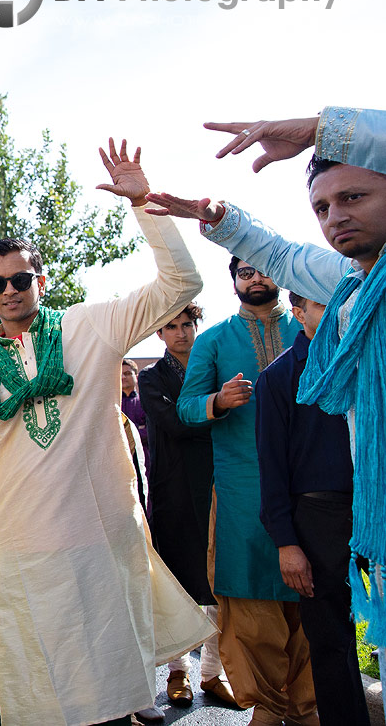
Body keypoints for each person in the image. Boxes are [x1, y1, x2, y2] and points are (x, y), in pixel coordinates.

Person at [0, 139, 214, 725]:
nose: (10, 290)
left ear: (40, 281)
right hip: (17, 547)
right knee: (40, 695)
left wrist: (143, 203)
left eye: (20, 278)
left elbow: (181, 286)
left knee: (107, 689)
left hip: (94, 539)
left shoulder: (91, 327)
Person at [146, 106, 386, 651]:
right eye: (322, 206)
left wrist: (321, 129)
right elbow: (278, 252)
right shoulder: (350, 280)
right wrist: (220, 219)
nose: (335, 217)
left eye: (354, 197)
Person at [176, 258, 315, 725]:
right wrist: (217, 401)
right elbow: (186, 408)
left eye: (261, 270)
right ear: (234, 282)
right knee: (253, 594)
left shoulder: (310, 326)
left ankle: (309, 705)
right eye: (244, 272)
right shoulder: (215, 340)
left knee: (313, 597)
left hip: (310, 485)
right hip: (241, 487)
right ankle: (268, 707)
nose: (255, 278)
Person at [256, 292, 370, 725]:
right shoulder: (279, 377)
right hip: (316, 523)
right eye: (321, 303)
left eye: (339, 299)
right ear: (298, 313)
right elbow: (272, 467)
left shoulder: (369, 360)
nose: (337, 309)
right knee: (331, 644)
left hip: (374, 511)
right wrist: (287, 543)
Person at [137, 304, 231, 707]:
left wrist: (213, 405)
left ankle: (213, 671)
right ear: (159, 334)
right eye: (170, 327)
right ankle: (178, 673)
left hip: (220, 482)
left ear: (197, 326)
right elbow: (175, 423)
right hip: (172, 488)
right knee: (178, 583)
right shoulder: (150, 377)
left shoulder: (216, 367)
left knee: (220, 582)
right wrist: (218, 406)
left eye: (187, 325)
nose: (180, 333)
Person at [120, 359, 149, 456]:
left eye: (127, 373)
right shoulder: (113, 405)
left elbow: (150, 431)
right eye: (120, 374)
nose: (123, 377)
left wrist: (126, 434)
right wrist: (138, 428)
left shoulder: (146, 402)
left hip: (144, 458)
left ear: (136, 376)